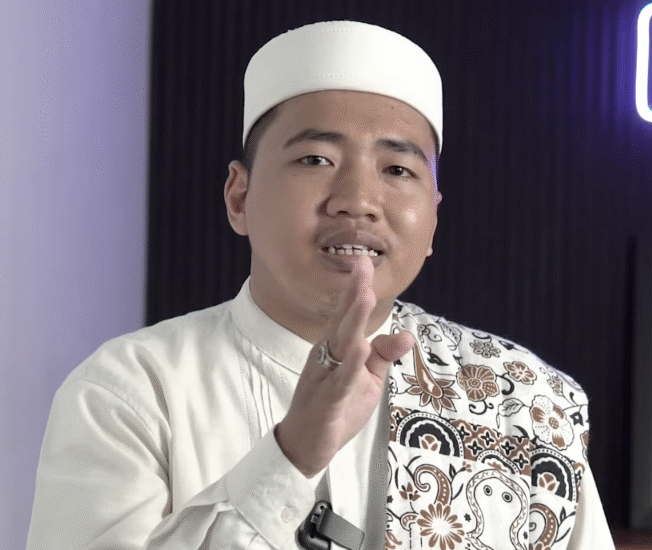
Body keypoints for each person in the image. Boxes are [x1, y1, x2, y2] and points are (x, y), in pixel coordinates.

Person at [27, 20, 614, 550]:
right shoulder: (133, 391)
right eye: (315, 160)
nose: (357, 201)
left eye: (397, 169)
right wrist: (289, 457)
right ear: (239, 197)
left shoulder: (524, 401)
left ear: (433, 218)